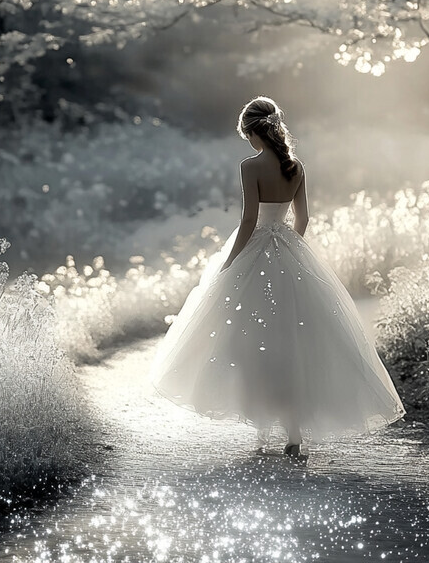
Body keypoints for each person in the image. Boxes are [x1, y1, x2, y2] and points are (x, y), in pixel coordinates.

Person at [149, 96, 406, 462]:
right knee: (294, 339)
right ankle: (294, 433)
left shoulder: (250, 166)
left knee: (252, 338)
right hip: (289, 250)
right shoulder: (295, 166)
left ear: (254, 131)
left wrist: (231, 261)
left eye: (248, 136)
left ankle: (261, 424)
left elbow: (249, 221)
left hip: (256, 250)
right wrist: (291, 250)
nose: (249, 143)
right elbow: (303, 219)